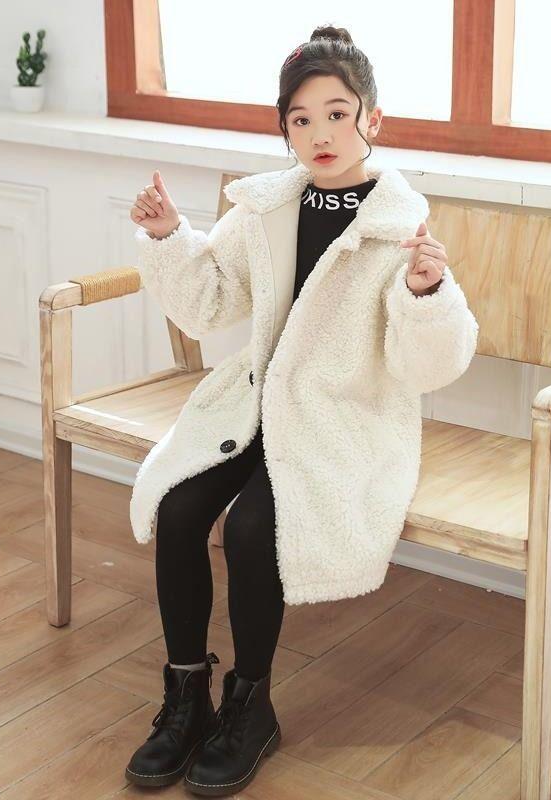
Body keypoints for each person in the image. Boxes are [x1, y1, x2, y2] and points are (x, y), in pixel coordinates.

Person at [123, 23, 475, 797]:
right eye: (301, 119)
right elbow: (210, 303)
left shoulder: (398, 228)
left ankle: (251, 707)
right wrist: (169, 237)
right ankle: (186, 697)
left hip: (341, 416)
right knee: (179, 509)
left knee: (254, 527)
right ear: (283, 128)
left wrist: (427, 294)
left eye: (338, 114)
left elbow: (427, 367)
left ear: (372, 119)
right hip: (253, 401)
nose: (320, 134)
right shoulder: (264, 208)